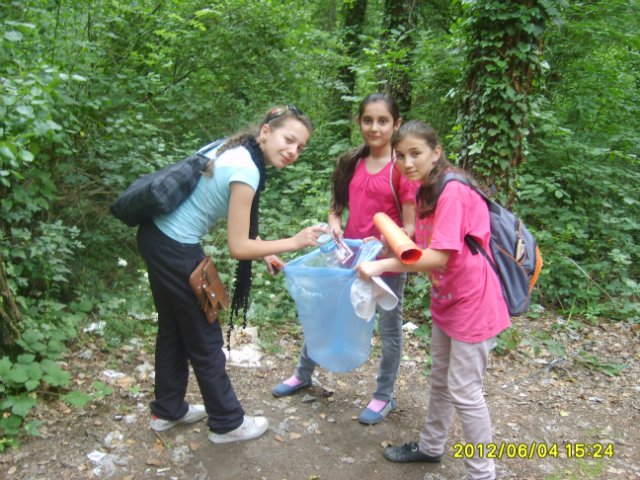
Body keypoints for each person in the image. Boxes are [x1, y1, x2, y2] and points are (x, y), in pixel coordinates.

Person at [137, 105, 325, 444]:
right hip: (175, 248)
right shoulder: (246, 170)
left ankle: (167, 410)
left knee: (175, 328)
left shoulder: (235, 148)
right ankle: (226, 422)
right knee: (205, 335)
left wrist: (265, 248)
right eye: (289, 139)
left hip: (155, 236)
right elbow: (238, 246)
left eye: (300, 147)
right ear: (266, 132)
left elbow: (226, 212)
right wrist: (293, 242)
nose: (293, 151)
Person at [354, 120, 508, 480]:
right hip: (447, 300)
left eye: (416, 154)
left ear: (436, 153)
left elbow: (437, 256)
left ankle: (482, 474)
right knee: (441, 380)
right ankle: (431, 447)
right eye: (401, 156)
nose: (407, 163)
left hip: (475, 303)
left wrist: (377, 266)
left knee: (466, 392)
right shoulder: (426, 190)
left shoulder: (451, 191)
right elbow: (419, 247)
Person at [272, 93, 420, 425]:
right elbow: (336, 207)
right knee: (324, 312)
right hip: (347, 256)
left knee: (389, 327)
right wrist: (335, 226)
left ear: (396, 124)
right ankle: (303, 374)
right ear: (359, 123)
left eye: (383, 121)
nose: (375, 127)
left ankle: (383, 396)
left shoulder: (402, 170)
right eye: (368, 120)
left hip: (384, 262)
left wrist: (385, 243)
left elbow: (409, 226)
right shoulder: (350, 161)